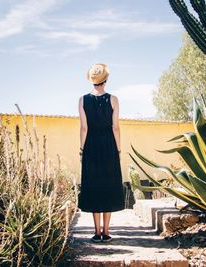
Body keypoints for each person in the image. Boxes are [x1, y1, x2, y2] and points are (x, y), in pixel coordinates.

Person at [78, 63, 125, 243]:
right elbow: (116, 128)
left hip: (91, 147)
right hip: (109, 146)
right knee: (108, 186)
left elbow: (84, 128)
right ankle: (106, 231)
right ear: (106, 80)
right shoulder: (113, 99)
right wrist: (118, 149)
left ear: (92, 81)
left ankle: (96, 232)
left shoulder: (82, 100)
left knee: (94, 186)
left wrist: (82, 150)